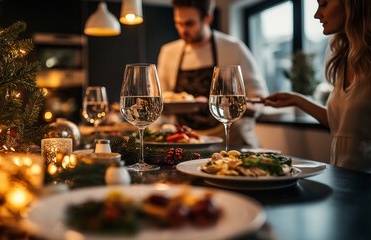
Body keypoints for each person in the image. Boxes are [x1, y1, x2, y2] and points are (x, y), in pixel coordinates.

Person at [263, 0, 371, 173]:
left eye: (324, 4)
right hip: (343, 180)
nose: (316, 14)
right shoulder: (343, 60)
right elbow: (343, 124)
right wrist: (296, 99)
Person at [157, 0, 268, 148]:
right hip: (186, 140)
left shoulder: (233, 48)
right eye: (178, 23)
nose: (183, 30)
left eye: (189, 23)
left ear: (208, 18)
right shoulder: (168, 52)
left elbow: (259, 100)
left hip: (230, 139)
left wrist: (221, 104)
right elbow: (161, 97)